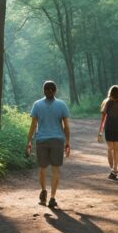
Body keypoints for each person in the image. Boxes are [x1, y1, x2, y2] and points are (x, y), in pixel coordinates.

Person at [25, 80, 70, 209]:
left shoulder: (37, 105)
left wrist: (28, 141)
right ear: (55, 91)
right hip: (57, 140)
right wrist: (67, 142)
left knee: (42, 168)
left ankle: (44, 191)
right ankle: (52, 198)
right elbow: (66, 126)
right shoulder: (62, 105)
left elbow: (33, 125)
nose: (49, 91)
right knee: (55, 170)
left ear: (43, 90)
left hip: (41, 140)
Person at [97, 85, 118, 179]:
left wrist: (100, 132)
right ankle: (114, 169)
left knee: (110, 149)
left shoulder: (106, 102)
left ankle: (113, 169)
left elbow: (103, 119)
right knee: (116, 149)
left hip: (109, 128)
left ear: (110, 93)